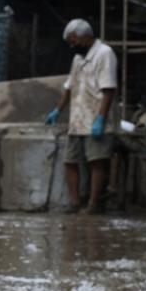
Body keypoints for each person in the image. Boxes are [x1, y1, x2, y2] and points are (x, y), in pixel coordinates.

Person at [44, 18, 117, 213]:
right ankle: (75, 203)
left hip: (96, 117)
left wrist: (101, 118)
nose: (72, 45)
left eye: (73, 40)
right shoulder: (78, 59)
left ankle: (93, 204)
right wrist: (58, 110)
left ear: (85, 36)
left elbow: (108, 89)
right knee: (70, 161)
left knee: (96, 161)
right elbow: (69, 86)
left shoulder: (105, 53)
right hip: (77, 119)